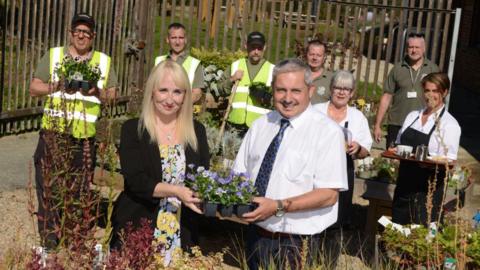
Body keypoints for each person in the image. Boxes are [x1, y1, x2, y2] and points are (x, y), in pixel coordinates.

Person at [233, 58, 348, 269]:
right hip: (256, 236)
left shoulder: (327, 133)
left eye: (296, 91)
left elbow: (329, 195)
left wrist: (278, 206)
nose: (287, 98)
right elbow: (239, 174)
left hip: (297, 243)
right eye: (280, 90)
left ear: (310, 91)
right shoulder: (260, 125)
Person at [29, 13, 118, 248]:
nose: (81, 35)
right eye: (77, 31)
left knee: (78, 193)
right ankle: (49, 243)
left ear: (93, 36)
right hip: (53, 134)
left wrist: (97, 92)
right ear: (70, 33)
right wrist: (54, 86)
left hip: (84, 139)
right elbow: (34, 87)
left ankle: (71, 242)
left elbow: (113, 94)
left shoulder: (103, 61)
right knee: (49, 189)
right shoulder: (54, 55)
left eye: (86, 32)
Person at [110, 60, 209, 265]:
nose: (170, 99)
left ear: (185, 96)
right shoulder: (133, 130)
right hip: (139, 225)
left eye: (177, 92)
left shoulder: (196, 132)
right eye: (163, 90)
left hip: (182, 230)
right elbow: (136, 181)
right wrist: (177, 191)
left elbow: (202, 175)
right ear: (152, 92)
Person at [390, 72, 461, 225]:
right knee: (398, 226)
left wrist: (427, 161)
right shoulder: (412, 116)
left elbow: (450, 160)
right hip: (405, 183)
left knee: (423, 230)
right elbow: (398, 144)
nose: (430, 95)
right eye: (427, 90)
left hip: (429, 187)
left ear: (445, 92)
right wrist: (395, 151)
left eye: (435, 91)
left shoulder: (450, 124)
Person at [314, 70, 372, 228]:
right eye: (338, 87)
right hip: (316, 166)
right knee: (314, 207)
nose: (341, 92)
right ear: (331, 89)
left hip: (343, 168)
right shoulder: (315, 111)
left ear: (352, 93)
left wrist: (358, 148)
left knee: (339, 212)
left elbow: (366, 149)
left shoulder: (357, 117)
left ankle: (331, 247)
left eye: (346, 89)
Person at [374, 32, 440, 147]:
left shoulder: (432, 69)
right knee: (392, 160)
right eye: (410, 47)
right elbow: (386, 97)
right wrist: (377, 125)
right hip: (397, 123)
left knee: (416, 161)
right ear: (406, 48)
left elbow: (438, 97)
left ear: (423, 49)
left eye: (417, 47)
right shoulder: (397, 69)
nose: (413, 50)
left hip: (421, 125)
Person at [220, 31, 275, 133]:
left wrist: (266, 97)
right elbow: (220, 90)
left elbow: (280, 101)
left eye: (259, 48)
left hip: (261, 127)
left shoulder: (273, 70)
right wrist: (231, 79)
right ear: (246, 46)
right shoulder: (235, 66)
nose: (256, 51)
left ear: (265, 47)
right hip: (234, 125)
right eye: (253, 47)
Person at [154, 22, 204, 104]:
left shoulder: (195, 64)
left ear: (185, 40)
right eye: (173, 38)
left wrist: (179, 105)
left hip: (183, 112)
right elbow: (153, 89)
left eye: (181, 38)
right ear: (167, 39)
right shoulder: (159, 61)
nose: (177, 42)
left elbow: (197, 93)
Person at [306, 39, 333, 104]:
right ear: (306, 55)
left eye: (318, 55)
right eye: (311, 54)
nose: (314, 58)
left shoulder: (332, 79)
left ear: (324, 57)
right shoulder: (297, 75)